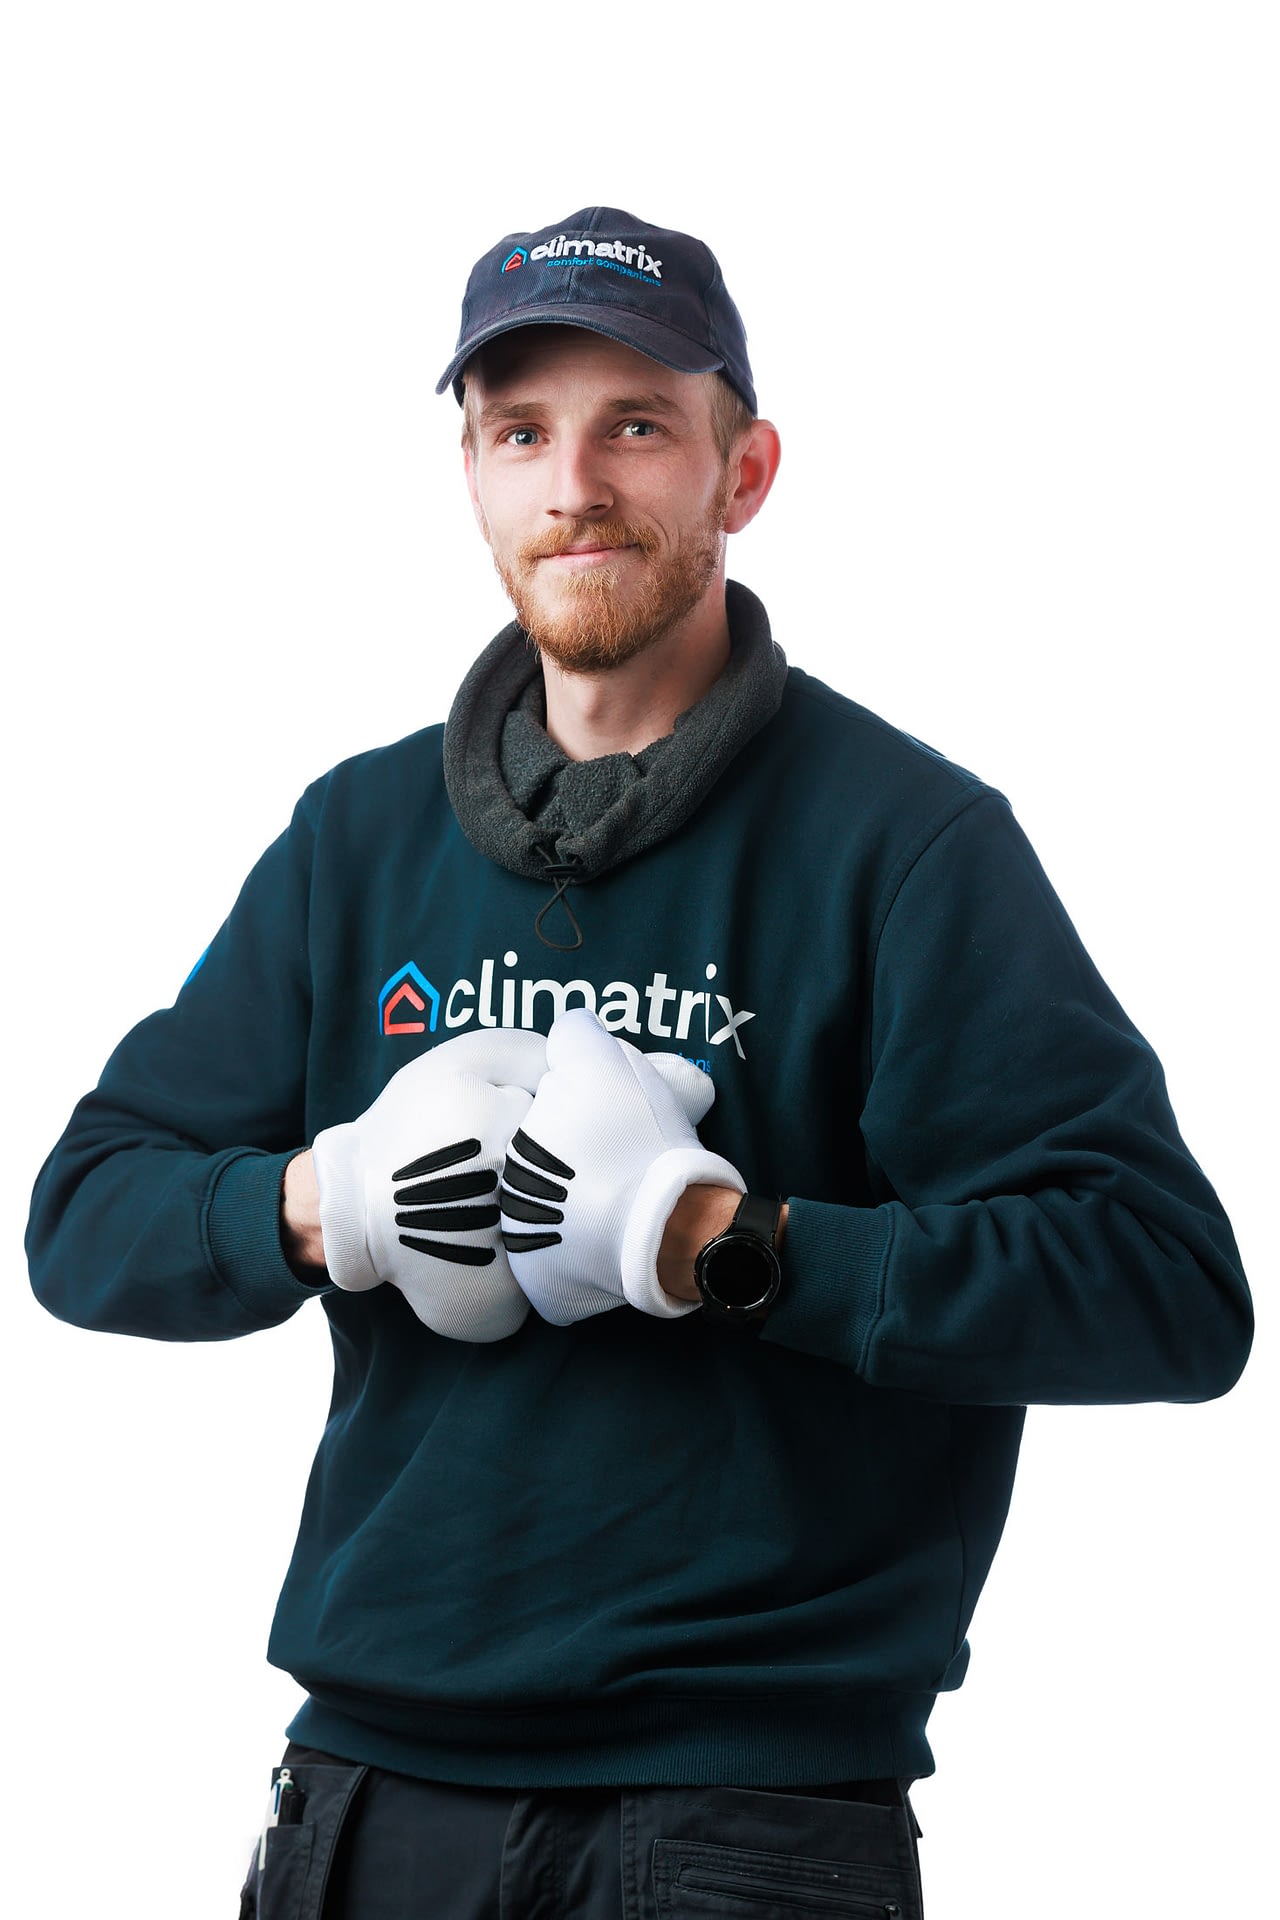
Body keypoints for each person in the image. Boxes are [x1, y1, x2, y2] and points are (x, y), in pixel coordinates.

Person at [27, 207, 1253, 1920]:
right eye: (521, 432)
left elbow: (1162, 1290)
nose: (575, 486)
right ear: (470, 474)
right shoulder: (352, 840)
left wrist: (725, 1248)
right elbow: (84, 1218)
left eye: (635, 427)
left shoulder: (905, 845)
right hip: (370, 1802)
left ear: (743, 473)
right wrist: (327, 1203)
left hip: (746, 1821)